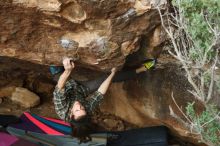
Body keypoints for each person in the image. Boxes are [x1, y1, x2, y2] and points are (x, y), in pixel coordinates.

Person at [53, 57, 156, 142]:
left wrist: (67, 71)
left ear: (71, 114)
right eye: (82, 108)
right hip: (80, 89)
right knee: (108, 78)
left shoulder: (62, 109)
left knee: (54, 64)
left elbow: (60, 87)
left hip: (63, 82)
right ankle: (142, 69)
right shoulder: (87, 111)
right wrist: (112, 74)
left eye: (77, 109)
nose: (80, 105)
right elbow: (100, 93)